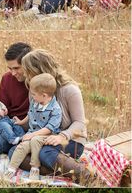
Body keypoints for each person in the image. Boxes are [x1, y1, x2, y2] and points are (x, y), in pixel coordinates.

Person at [18, 49, 92, 183]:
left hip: (71, 140)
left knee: (45, 153)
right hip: (42, 137)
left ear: (39, 70)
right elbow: (35, 120)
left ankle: (86, 176)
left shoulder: (69, 90)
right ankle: (56, 171)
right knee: (14, 151)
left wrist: (61, 136)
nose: (25, 75)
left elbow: (80, 123)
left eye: (28, 72)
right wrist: (17, 125)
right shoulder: (34, 90)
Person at [5, 73, 62, 181]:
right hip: (33, 133)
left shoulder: (55, 109)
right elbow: (30, 114)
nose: (32, 96)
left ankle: (35, 168)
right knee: (22, 146)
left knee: (35, 140)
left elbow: (50, 128)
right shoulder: (35, 102)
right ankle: (11, 169)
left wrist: (31, 135)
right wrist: (21, 122)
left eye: (34, 94)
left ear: (44, 95)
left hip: (47, 135)